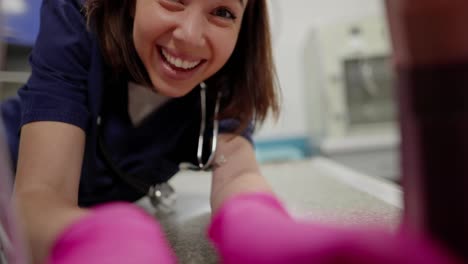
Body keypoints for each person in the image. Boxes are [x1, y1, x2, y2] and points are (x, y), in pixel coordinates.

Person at [0, 0, 279, 262]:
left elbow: (239, 173)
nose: (191, 37)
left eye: (223, 12)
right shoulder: (78, 15)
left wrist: (259, 225)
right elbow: (38, 202)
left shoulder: (222, 71)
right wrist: (103, 237)